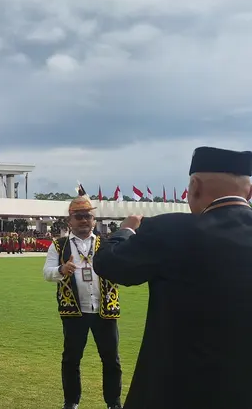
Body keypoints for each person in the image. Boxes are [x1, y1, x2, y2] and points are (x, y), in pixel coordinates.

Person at [93, 146, 252, 409]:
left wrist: (125, 232)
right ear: (249, 192)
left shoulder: (171, 230)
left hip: (177, 392)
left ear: (194, 186)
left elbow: (110, 265)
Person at [43, 194, 122, 409]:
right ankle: (71, 402)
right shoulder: (59, 246)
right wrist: (61, 269)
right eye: (78, 216)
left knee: (111, 360)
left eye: (87, 216)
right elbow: (47, 273)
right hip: (74, 310)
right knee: (71, 359)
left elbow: (123, 268)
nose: (84, 220)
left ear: (94, 220)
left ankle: (113, 403)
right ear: (70, 220)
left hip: (104, 309)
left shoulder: (107, 244)